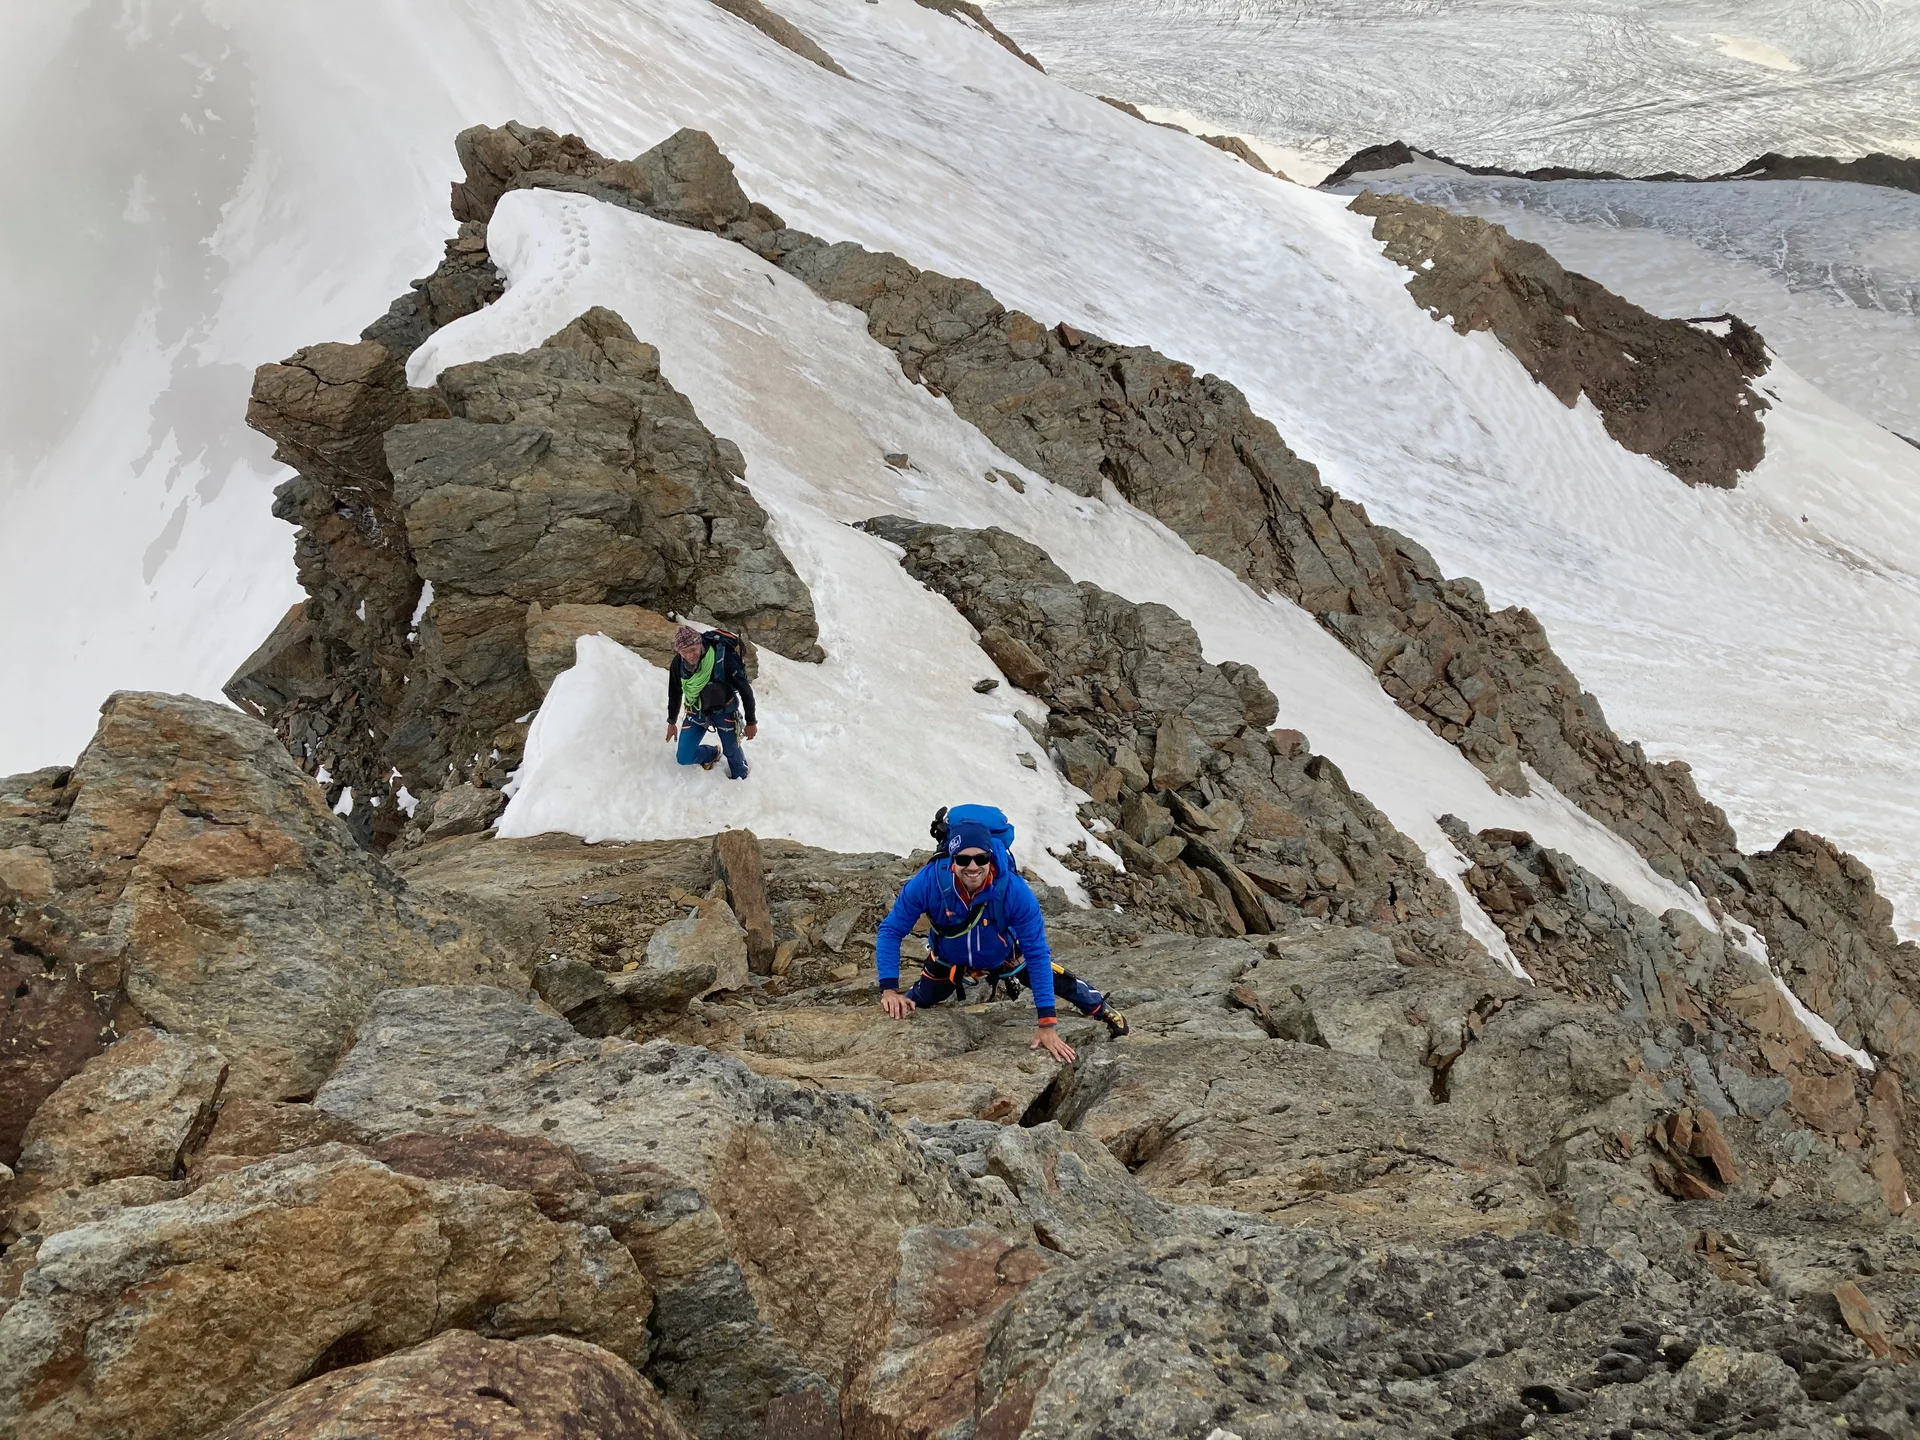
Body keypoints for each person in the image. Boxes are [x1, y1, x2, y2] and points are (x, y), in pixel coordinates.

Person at [875, 806, 1128, 1063]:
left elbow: (1037, 954)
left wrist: (1047, 1025)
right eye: (963, 860)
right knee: (920, 999)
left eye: (981, 859)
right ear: (951, 860)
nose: (972, 867)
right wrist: (889, 990)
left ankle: (1099, 1006)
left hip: (1004, 953)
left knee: (1055, 980)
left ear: (990, 856)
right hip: (949, 957)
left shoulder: (1013, 891)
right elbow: (891, 930)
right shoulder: (929, 883)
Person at [664, 624, 756, 779]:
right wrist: (671, 722)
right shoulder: (678, 663)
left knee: (732, 751)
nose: (690, 656)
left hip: (724, 710)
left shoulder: (724, 658)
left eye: (693, 650)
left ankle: (741, 777)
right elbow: (674, 692)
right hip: (696, 710)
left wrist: (751, 722)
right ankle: (712, 753)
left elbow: (745, 690)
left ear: (700, 643)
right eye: (684, 652)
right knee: (684, 757)